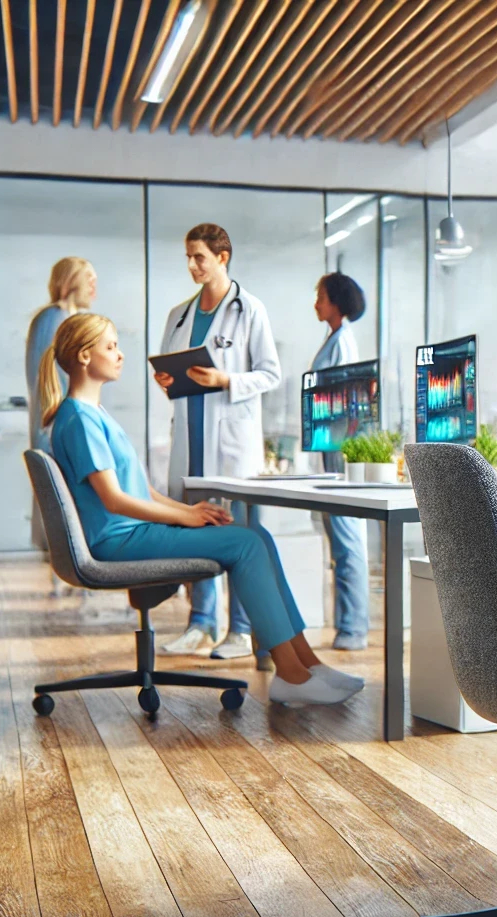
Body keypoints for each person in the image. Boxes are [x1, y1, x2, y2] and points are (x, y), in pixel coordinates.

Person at [40, 313, 360, 705]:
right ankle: (290, 675)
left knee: (255, 535)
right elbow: (114, 500)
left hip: (131, 534)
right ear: (85, 356)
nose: (121, 355)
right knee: (244, 545)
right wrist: (185, 517)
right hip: (117, 541)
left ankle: (308, 663)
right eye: (111, 347)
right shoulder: (78, 419)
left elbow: (143, 490)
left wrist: (192, 511)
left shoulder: (95, 414)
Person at [153, 224, 282, 661]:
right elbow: (171, 370)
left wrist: (227, 379)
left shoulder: (250, 310)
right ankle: (201, 624)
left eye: (200, 257)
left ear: (223, 257)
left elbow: (270, 373)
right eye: (188, 257)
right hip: (190, 434)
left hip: (231, 442)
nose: (192, 265)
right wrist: (165, 379)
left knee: (239, 533)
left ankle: (241, 631)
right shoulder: (179, 315)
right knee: (196, 527)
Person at [311, 272, 369, 650]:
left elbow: (346, 396)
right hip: (330, 445)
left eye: (320, 296)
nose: (316, 303)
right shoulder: (333, 339)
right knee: (340, 537)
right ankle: (348, 625)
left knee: (348, 538)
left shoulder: (343, 341)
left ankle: (354, 628)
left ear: (335, 301)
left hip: (341, 445)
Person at [26, 257, 98, 553]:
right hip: (55, 427)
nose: (94, 288)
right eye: (89, 280)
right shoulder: (53, 319)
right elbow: (47, 380)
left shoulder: (60, 320)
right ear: (70, 282)